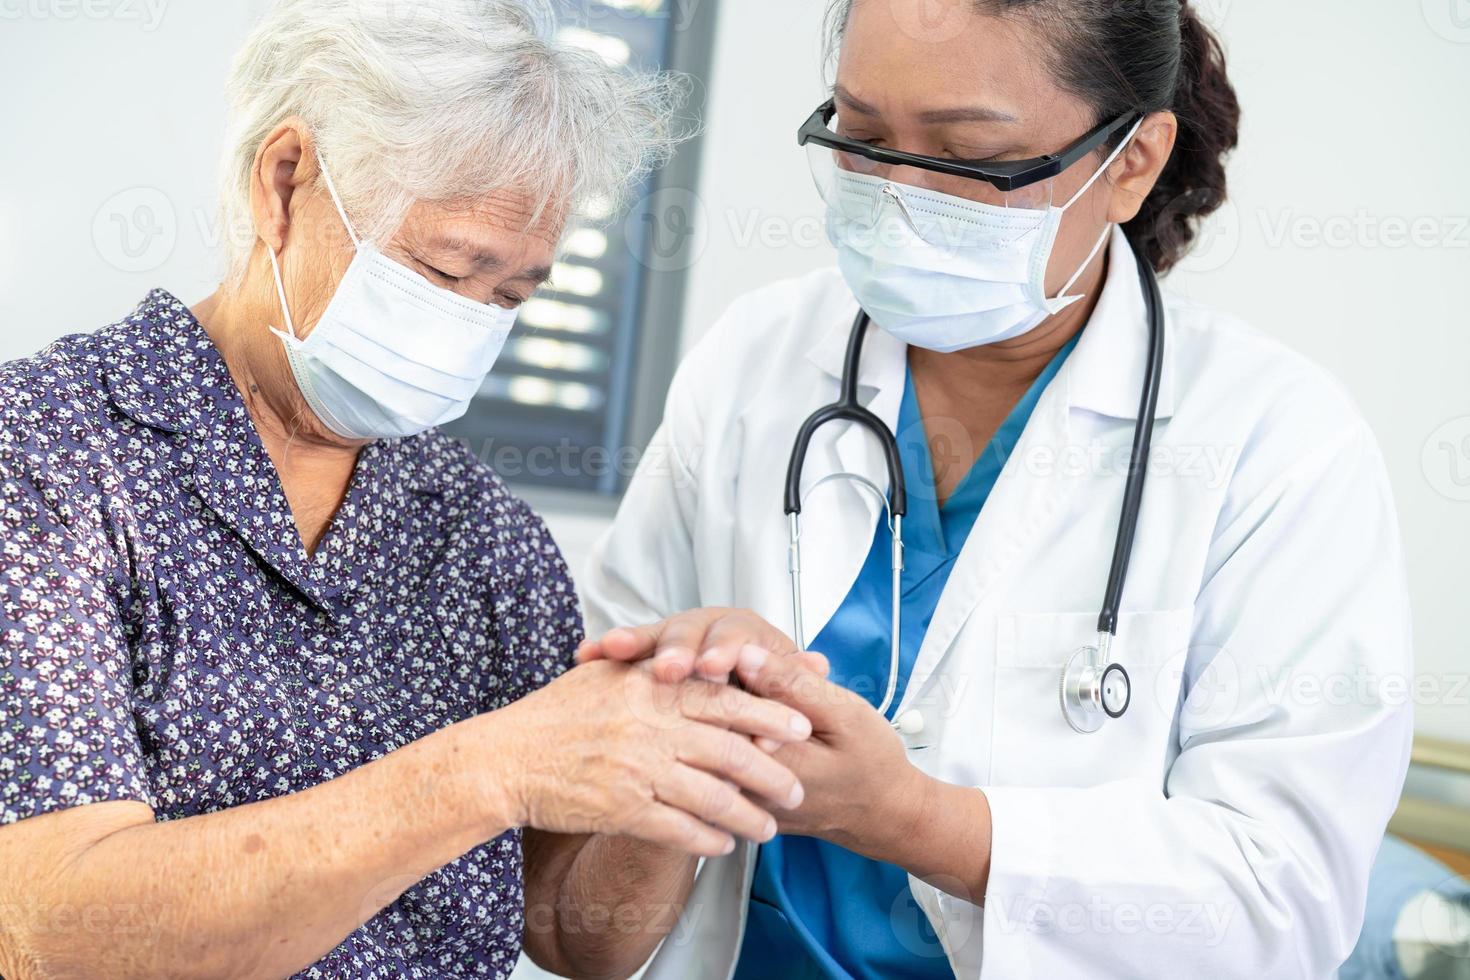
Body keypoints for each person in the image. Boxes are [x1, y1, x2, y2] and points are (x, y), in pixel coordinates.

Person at [577, 0, 1415, 976]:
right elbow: (586, 829)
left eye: (965, 155)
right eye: (861, 134)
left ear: (1130, 163)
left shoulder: (1279, 444)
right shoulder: (753, 361)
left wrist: (916, 819)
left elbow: (1281, 901)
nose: (894, 192)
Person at [0, 2, 818, 977]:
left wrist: (690, 740)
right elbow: (56, 932)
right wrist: (484, 768)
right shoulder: (50, 459)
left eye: (512, 296)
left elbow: (572, 930)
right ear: (285, 181)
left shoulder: (484, 539)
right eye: (444, 269)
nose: (471, 326)